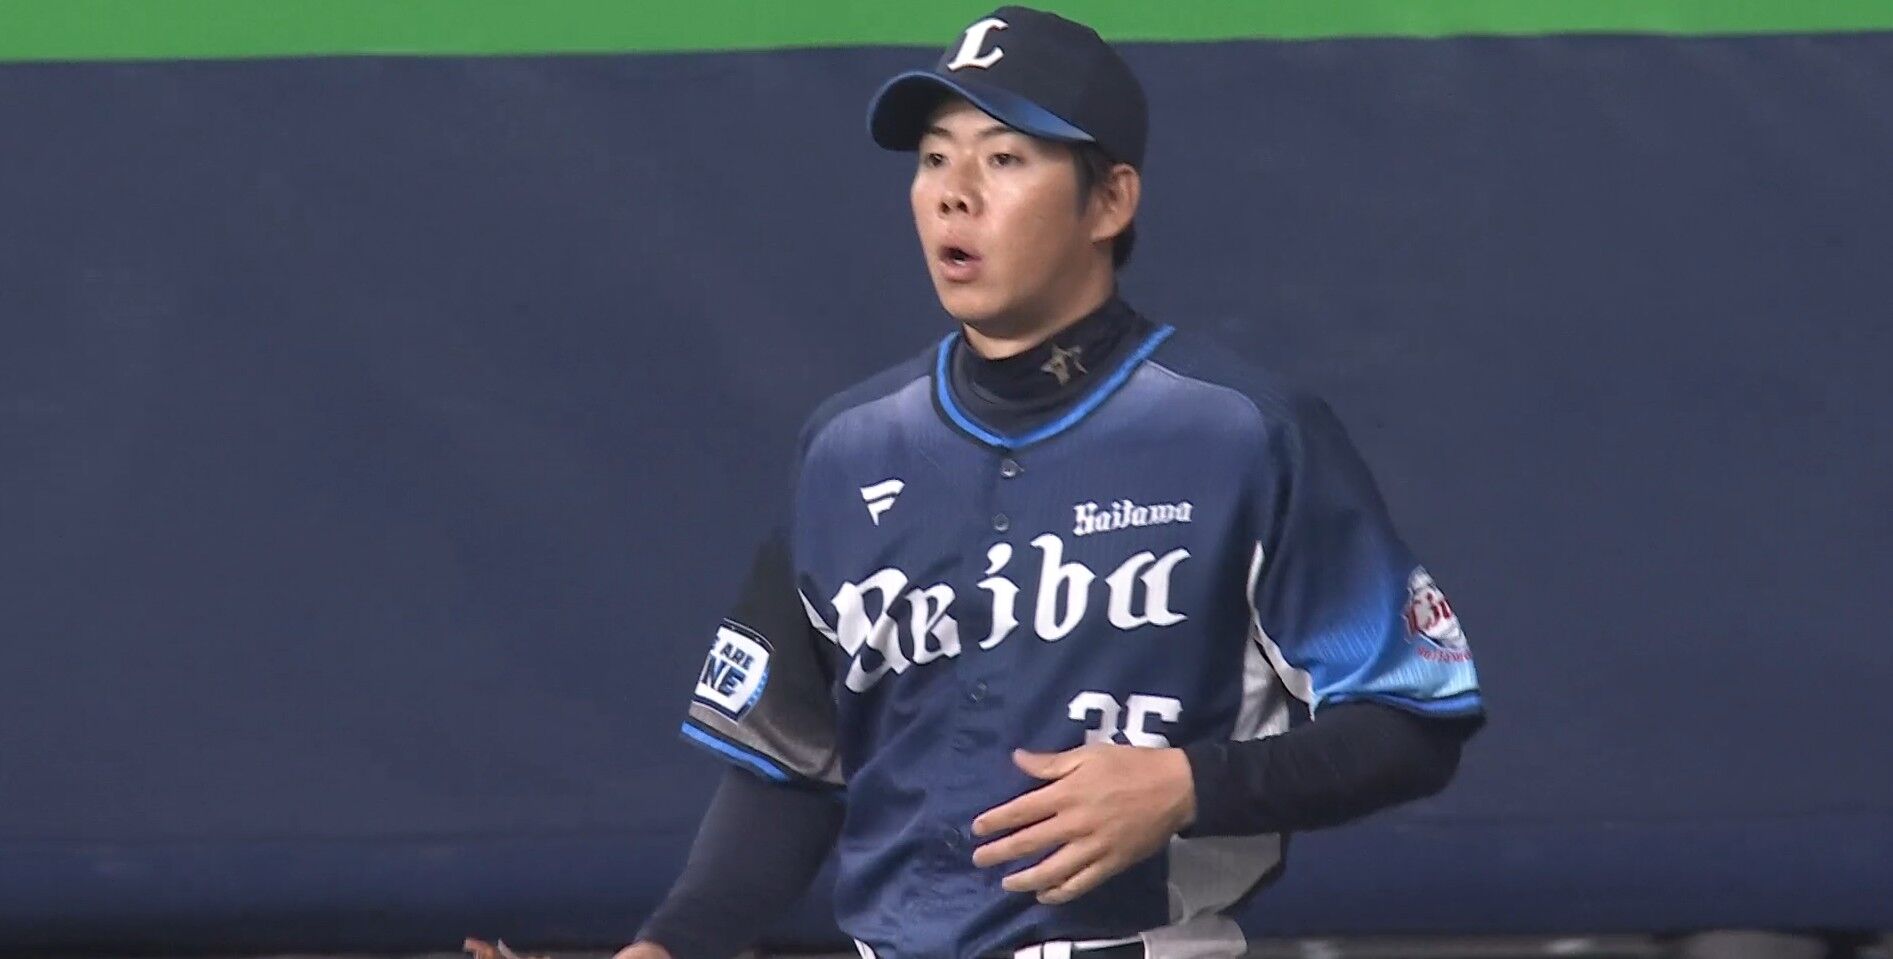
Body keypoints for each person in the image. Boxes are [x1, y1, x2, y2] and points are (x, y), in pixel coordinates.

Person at [475, 7, 1484, 959]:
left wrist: (1191, 782)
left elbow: (1413, 717)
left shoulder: (1237, 430)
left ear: (1109, 200)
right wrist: (666, 943)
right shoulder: (850, 448)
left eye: (1004, 158)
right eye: (933, 158)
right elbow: (790, 764)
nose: (955, 191)